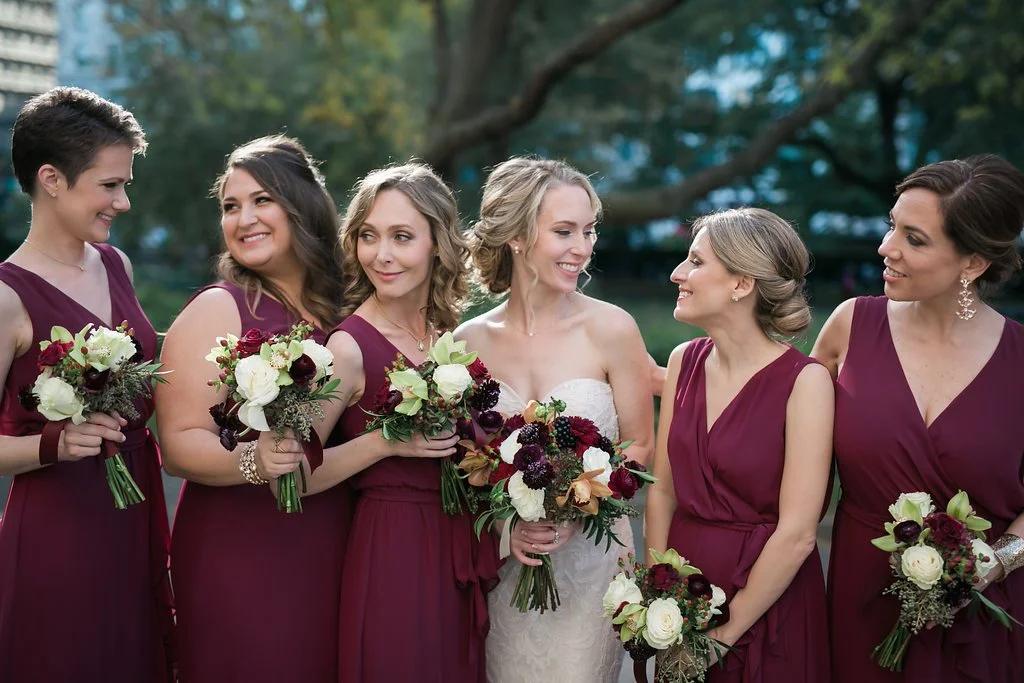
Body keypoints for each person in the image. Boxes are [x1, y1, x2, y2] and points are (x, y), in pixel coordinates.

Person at [259, 162, 499, 682]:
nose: (382, 254)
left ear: (438, 243)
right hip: (394, 549)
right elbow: (295, 476)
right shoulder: (346, 347)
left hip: (454, 546)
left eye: (402, 237)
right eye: (369, 236)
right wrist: (386, 444)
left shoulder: (446, 334)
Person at [814, 154, 1024, 682]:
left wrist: (994, 563)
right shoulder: (849, 326)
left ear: (972, 264)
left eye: (915, 239)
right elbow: (784, 445)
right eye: (892, 227)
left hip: (983, 611)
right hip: (860, 599)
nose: (887, 248)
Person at [155, 135, 352, 683]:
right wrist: (256, 461)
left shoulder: (349, 311)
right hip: (241, 551)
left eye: (261, 200)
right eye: (230, 206)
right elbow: (178, 444)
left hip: (337, 546)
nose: (243, 219)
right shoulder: (221, 308)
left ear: (302, 205)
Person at [457, 157, 655, 682]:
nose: (583, 248)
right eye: (564, 231)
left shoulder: (612, 328)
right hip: (507, 567)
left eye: (588, 231)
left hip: (592, 570)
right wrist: (508, 528)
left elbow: (640, 445)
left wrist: (577, 500)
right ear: (518, 237)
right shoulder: (466, 343)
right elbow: (468, 464)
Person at [0, 86, 173, 682]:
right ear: (51, 178)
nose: (123, 202)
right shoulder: (5, 300)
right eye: (109, 185)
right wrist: (53, 443)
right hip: (59, 537)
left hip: (134, 520)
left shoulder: (116, 266)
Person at [644, 208, 833, 682]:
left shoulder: (805, 382)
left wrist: (722, 637)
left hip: (767, 597)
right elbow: (663, 491)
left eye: (695, 262)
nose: (677, 274)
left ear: (741, 284)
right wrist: (658, 597)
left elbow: (798, 533)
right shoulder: (683, 360)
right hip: (682, 584)